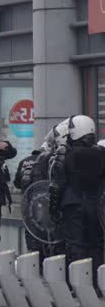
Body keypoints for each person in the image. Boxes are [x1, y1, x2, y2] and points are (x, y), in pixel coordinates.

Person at [58, 115, 105, 277]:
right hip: (95, 205)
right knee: (96, 244)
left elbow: (57, 184)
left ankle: (79, 282)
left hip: (73, 203)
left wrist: (53, 208)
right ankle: (98, 282)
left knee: (76, 244)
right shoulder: (101, 153)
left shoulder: (66, 154)